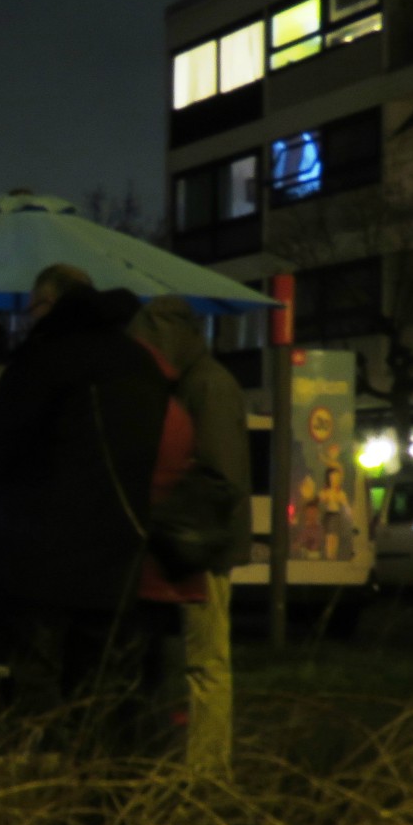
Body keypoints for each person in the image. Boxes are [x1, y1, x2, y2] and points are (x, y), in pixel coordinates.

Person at [0, 264, 173, 760]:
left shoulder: (44, 360)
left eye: (32, 309)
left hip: (39, 568)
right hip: (116, 563)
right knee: (101, 705)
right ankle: (97, 813)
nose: (27, 321)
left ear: (49, 305)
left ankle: (38, 809)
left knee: (35, 700)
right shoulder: (140, 365)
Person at [129, 295, 251, 778]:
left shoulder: (207, 387)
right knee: (197, 662)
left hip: (203, 550)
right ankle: (198, 762)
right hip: (197, 546)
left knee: (206, 662)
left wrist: (169, 521)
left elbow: (221, 476)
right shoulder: (197, 382)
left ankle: (206, 767)